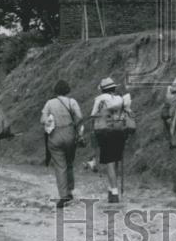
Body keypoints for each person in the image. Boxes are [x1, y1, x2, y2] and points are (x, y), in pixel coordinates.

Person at [40, 79, 83, 208]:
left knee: (60, 165)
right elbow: (80, 117)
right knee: (69, 162)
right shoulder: (72, 102)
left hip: (55, 136)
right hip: (70, 135)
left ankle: (63, 195)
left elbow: (43, 119)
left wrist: (50, 122)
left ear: (55, 91)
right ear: (67, 90)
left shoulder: (49, 103)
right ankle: (70, 190)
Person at [90, 77, 133, 204]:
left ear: (102, 89)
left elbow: (93, 115)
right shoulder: (121, 99)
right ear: (113, 88)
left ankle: (114, 192)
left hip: (106, 132)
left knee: (109, 162)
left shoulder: (100, 99)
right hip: (120, 132)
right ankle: (111, 189)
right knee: (116, 160)